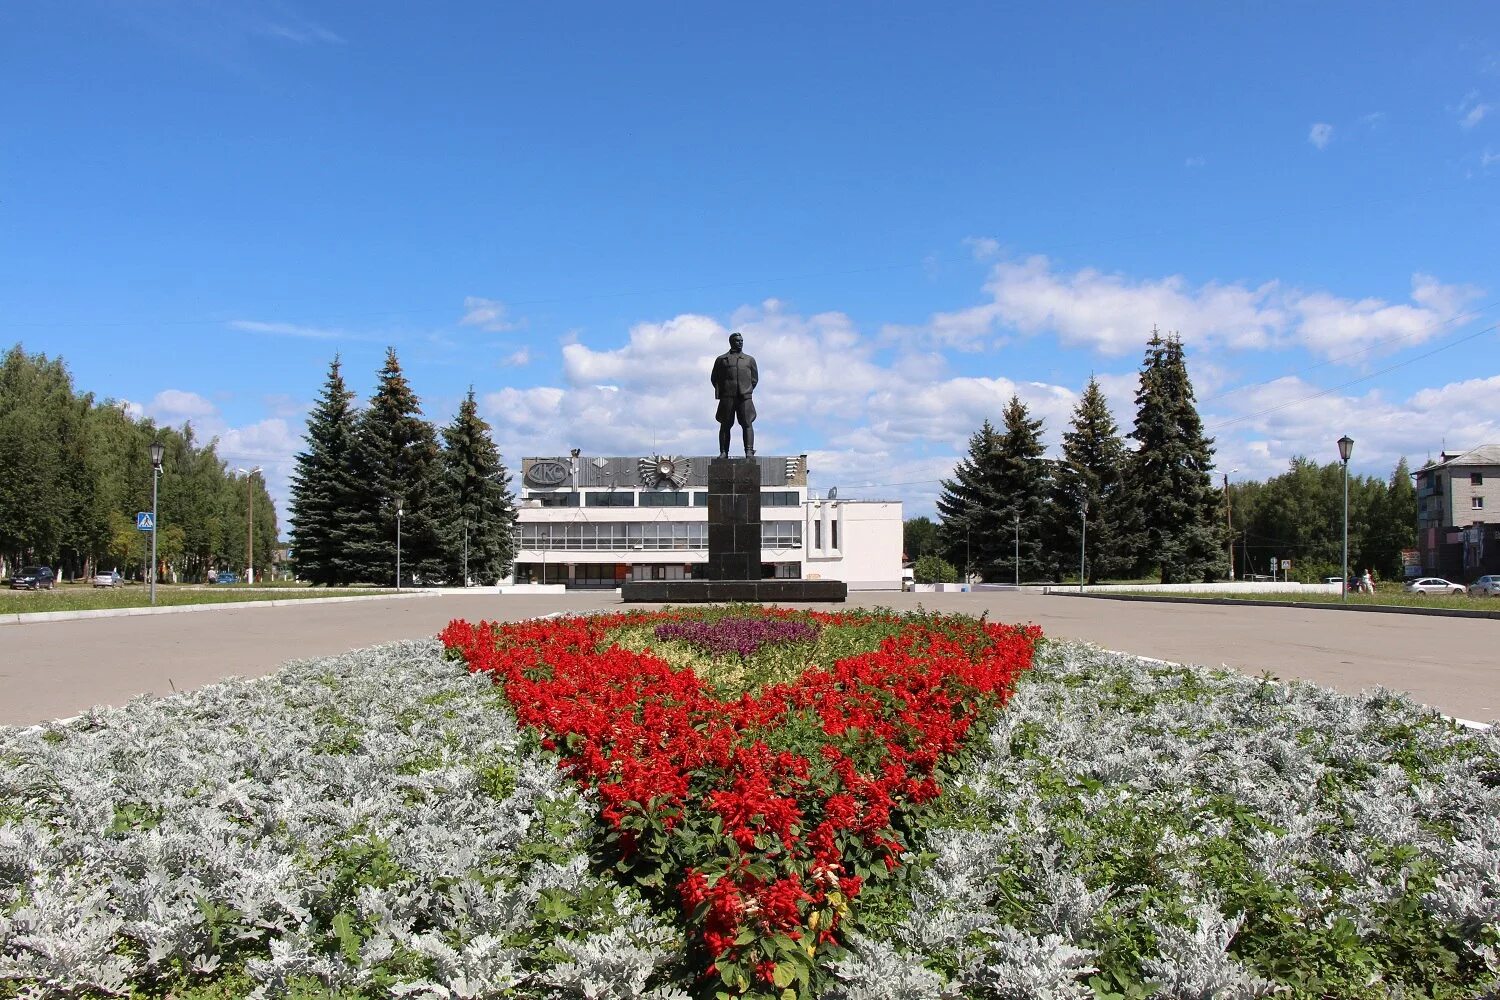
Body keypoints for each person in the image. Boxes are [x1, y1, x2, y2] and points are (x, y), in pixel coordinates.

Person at [709, 331, 758, 459]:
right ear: (731, 342)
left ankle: (749, 451)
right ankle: (723, 452)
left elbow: (754, 379)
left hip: (744, 397)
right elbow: (715, 378)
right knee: (725, 425)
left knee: (747, 424)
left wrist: (746, 390)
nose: (740, 343)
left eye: (741, 341)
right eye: (737, 341)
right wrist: (724, 391)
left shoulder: (749, 360)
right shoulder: (721, 360)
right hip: (727, 397)